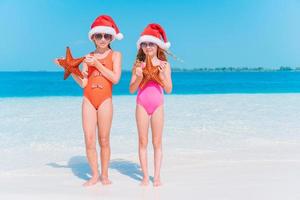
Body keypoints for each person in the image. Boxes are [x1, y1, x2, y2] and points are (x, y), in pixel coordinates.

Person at [55, 15, 123, 186]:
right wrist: (70, 70)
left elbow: (115, 79)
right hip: (88, 99)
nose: (102, 39)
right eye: (98, 35)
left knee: (104, 139)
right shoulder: (86, 57)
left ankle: (105, 175)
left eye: (106, 36)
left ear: (111, 37)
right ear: (92, 37)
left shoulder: (116, 55)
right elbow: (84, 83)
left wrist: (98, 65)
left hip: (105, 99)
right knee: (89, 139)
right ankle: (94, 174)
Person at [129, 23, 172, 187]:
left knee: (157, 142)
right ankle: (145, 177)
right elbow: (132, 89)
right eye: (145, 44)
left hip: (158, 105)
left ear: (158, 45)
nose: (148, 47)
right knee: (142, 141)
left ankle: (158, 176)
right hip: (141, 105)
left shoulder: (165, 65)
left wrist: (161, 74)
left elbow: (168, 89)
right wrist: (139, 76)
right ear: (141, 46)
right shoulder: (138, 65)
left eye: (151, 43)